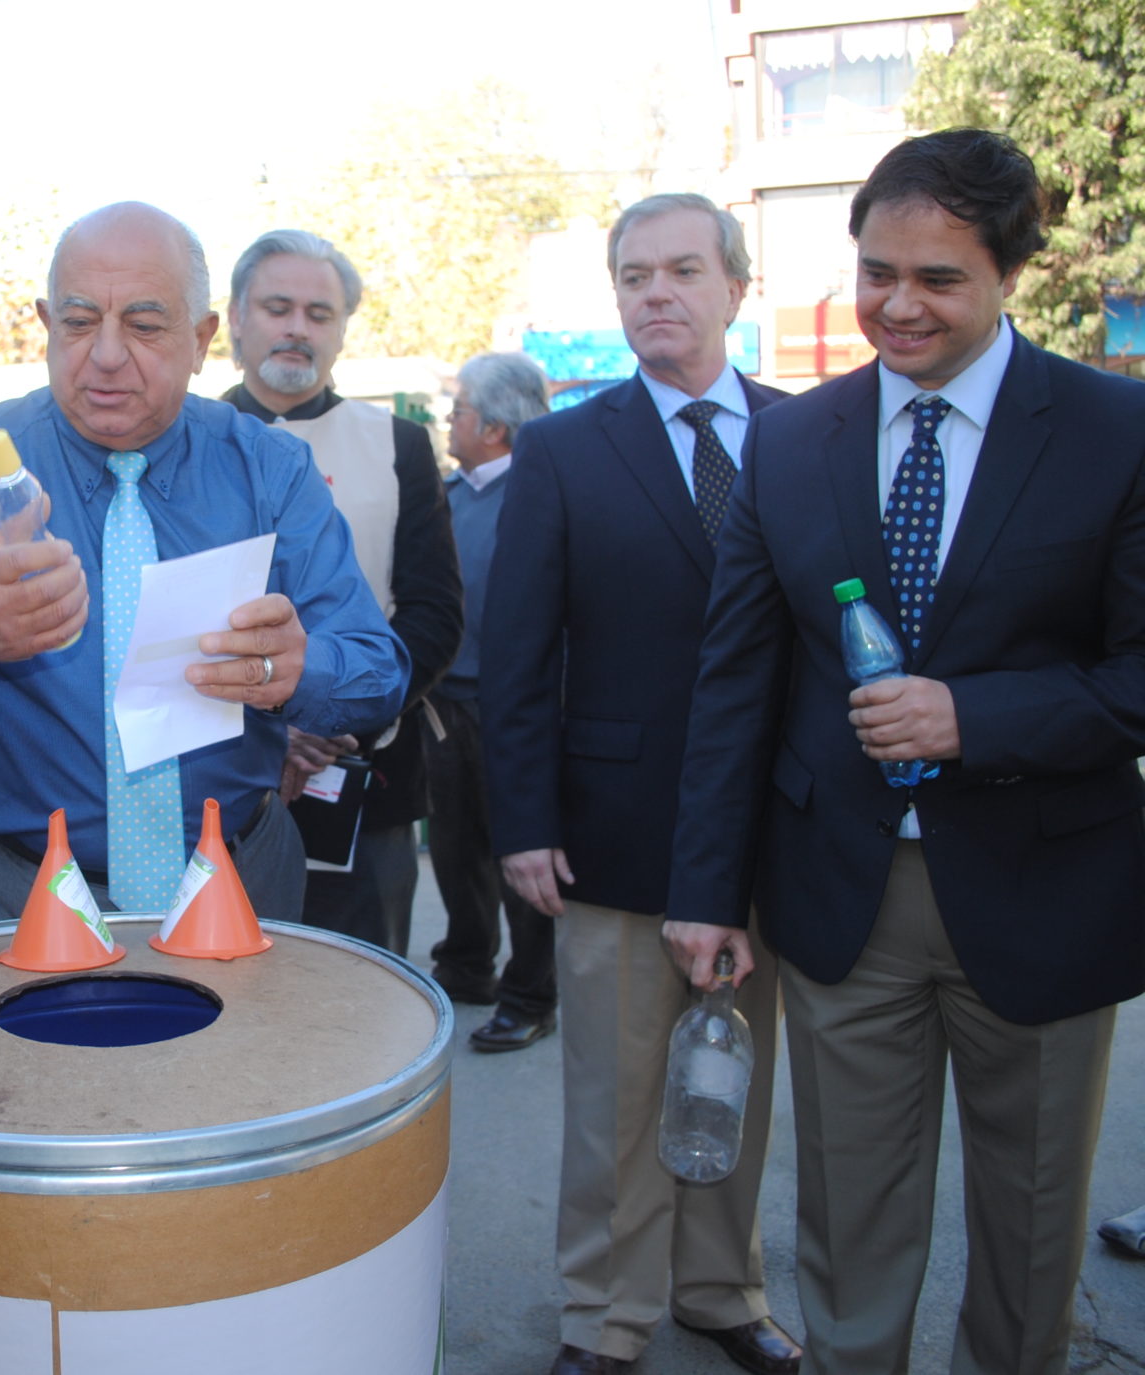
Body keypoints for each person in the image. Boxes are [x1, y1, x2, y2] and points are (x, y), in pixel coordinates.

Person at [666, 128, 1145, 1375]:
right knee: (846, 1217)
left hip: (1043, 895)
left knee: (1031, 1226)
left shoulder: (1114, 430)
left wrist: (970, 717)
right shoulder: (790, 437)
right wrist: (706, 890)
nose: (895, 305)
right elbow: (735, 682)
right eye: (876, 271)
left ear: (1007, 277)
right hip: (839, 896)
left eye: (936, 279)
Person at [0, 202, 409, 925]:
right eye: (80, 321)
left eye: (146, 325)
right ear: (46, 325)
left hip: (240, 886)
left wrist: (296, 670)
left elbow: (379, 671)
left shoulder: (270, 472)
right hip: (23, 900)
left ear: (202, 337)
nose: (108, 354)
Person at [478, 194, 800, 1375]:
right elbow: (514, 650)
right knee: (615, 1101)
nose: (652, 293)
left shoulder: (802, 433)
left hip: (768, 831)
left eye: (677, 271)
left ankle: (721, 1292)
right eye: (629, 276)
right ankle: (602, 1318)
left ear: (733, 287)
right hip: (610, 833)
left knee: (734, 1081)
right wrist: (523, 821)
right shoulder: (562, 447)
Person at [223, 229, 462, 956]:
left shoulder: (399, 445)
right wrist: (272, 729)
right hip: (218, 781)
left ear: (342, 329)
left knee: (363, 1008)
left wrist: (342, 715)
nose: (298, 328)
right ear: (235, 318)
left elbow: (434, 613)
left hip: (366, 776)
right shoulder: (181, 440)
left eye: (320, 313)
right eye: (278, 307)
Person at [424, 352, 558, 1051]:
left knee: (521, 853)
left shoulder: (542, 491)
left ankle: (531, 992)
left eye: (461, 410)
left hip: (516, 708)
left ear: (498, 427)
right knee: (453, 845)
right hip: (445, 702)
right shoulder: (446, 491)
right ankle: (466, 963)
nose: (452, 421)